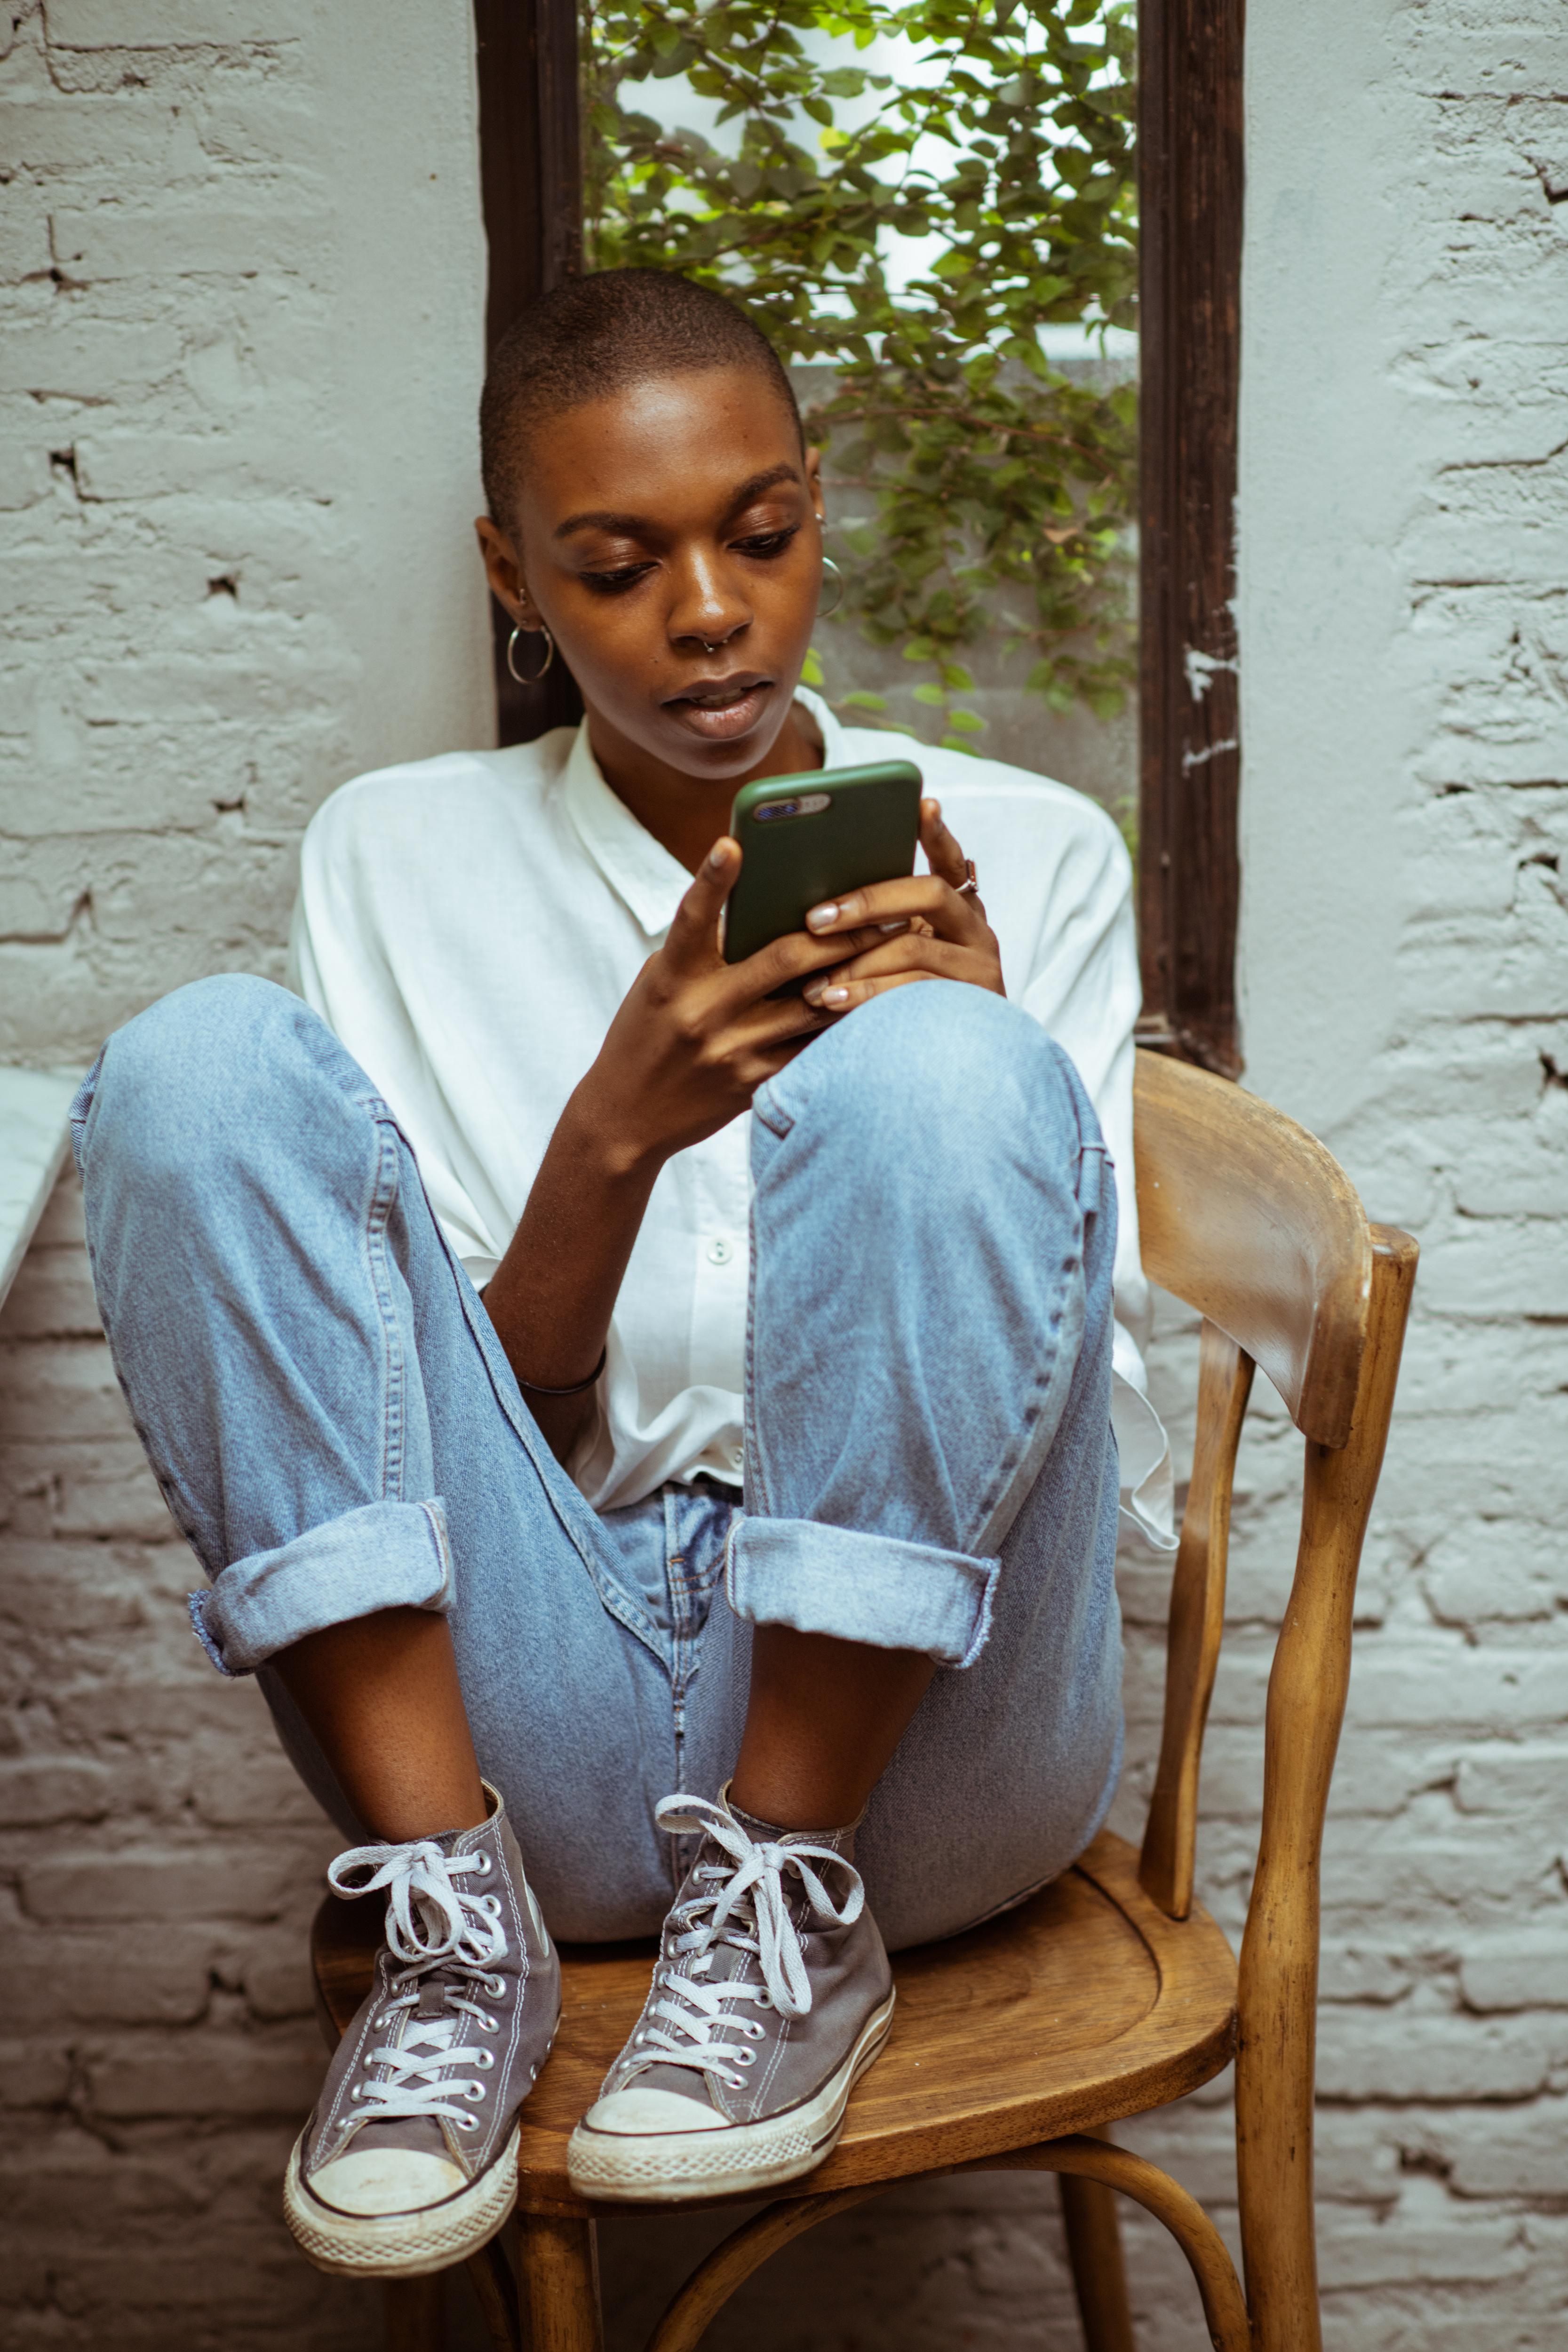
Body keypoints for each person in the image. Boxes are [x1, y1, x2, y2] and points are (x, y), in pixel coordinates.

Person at [70, 269, 1171, 2278]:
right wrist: (616, 1131)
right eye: (614, 560)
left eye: (761, 532)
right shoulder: (393, 859)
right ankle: (445, 1925)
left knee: (944, 1063)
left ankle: (784, 1908)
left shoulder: (1034, 845)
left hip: (933, 1760)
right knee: (186, 1067)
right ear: (514, 570)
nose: (709, 613)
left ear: (819, 499)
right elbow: (421, 1435)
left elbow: (1108, 1447)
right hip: (530, 1738)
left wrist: (990, 1108)